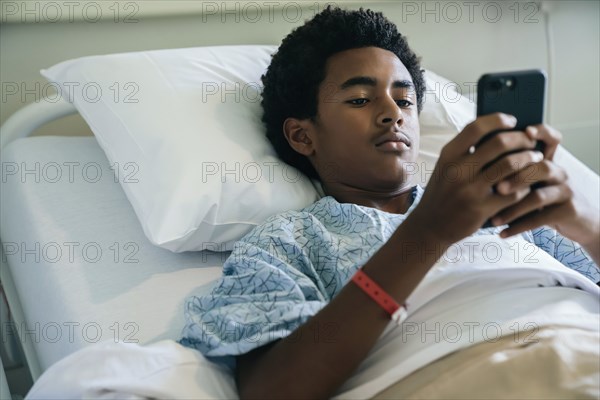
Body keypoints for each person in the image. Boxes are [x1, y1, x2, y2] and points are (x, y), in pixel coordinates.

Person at [180, 6, 600, 399]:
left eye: (404, 100)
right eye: (360, 99)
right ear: (302, 135)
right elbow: (273, 389)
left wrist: (586, 227)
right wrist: (429, 232)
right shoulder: (288, 242)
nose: (392, 114)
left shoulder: (509, 207)